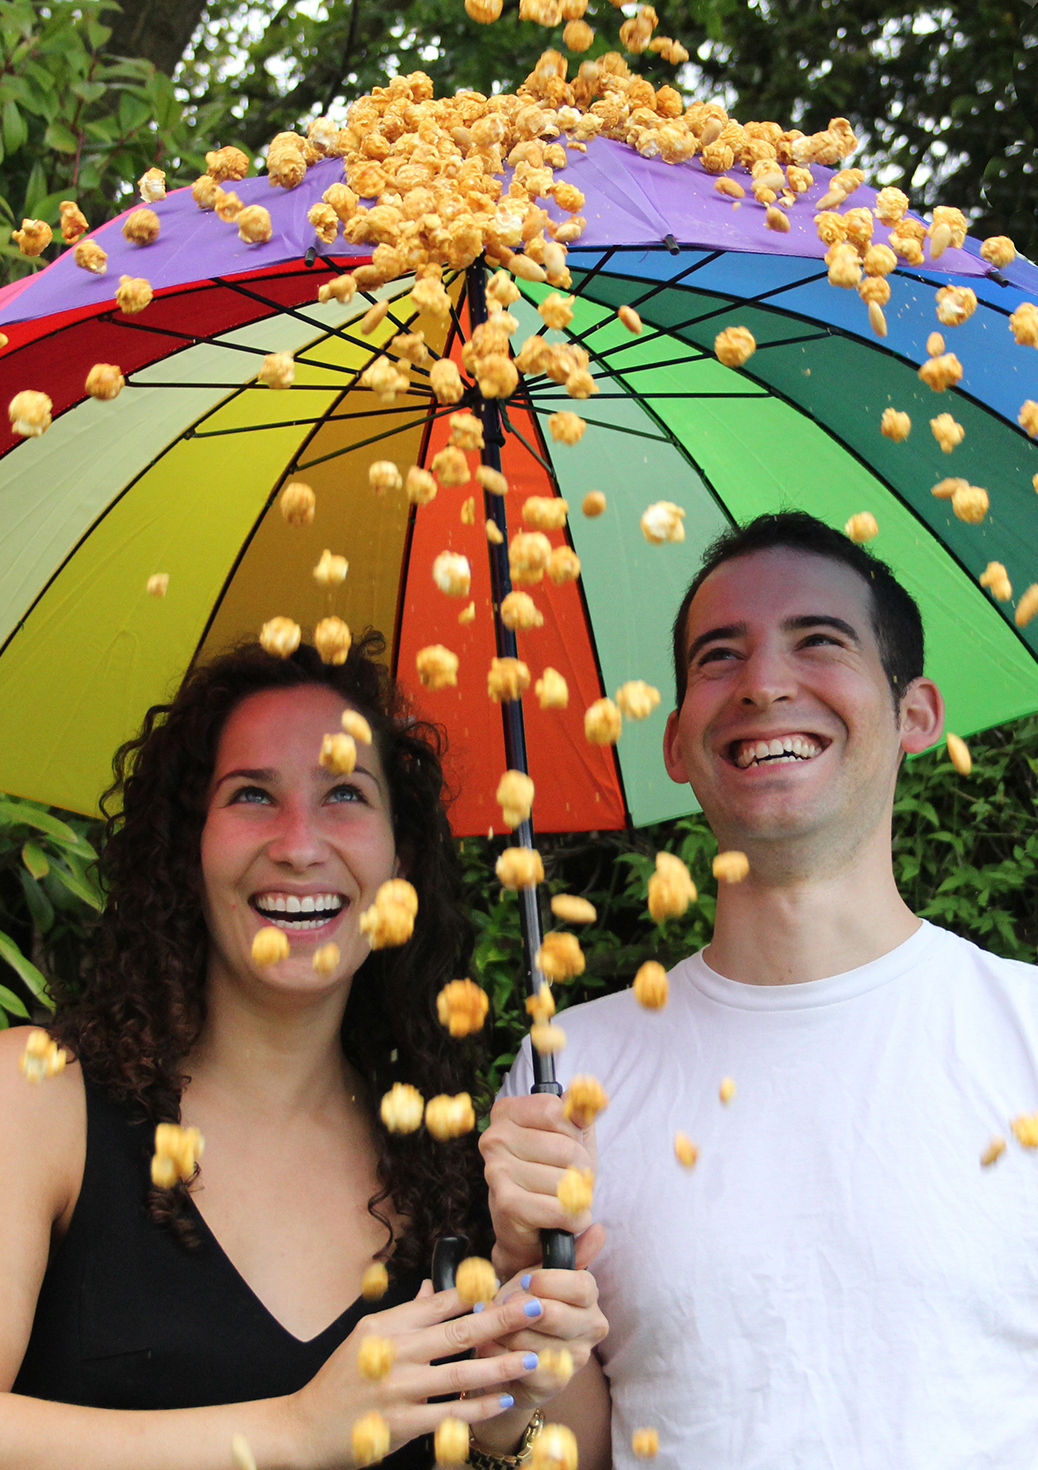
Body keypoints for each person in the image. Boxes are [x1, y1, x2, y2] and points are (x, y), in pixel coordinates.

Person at [481, 512, 1038, 1470]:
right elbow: (555, 1453)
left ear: (916, 715)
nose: (765, 685)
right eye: (718, 658)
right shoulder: (566, 1074)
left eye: (818, 641)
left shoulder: (1027, 1030)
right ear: (676, 743)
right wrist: (523, 1301)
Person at [0, 631, 605, 1470]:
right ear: (189, 844)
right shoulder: (38, 1096)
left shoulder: (450, 1172)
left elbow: (581, 1453)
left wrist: (512, 1378)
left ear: (400, 858)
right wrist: (290, 1431)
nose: (298, 843)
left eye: (345, 795)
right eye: (252, 795)